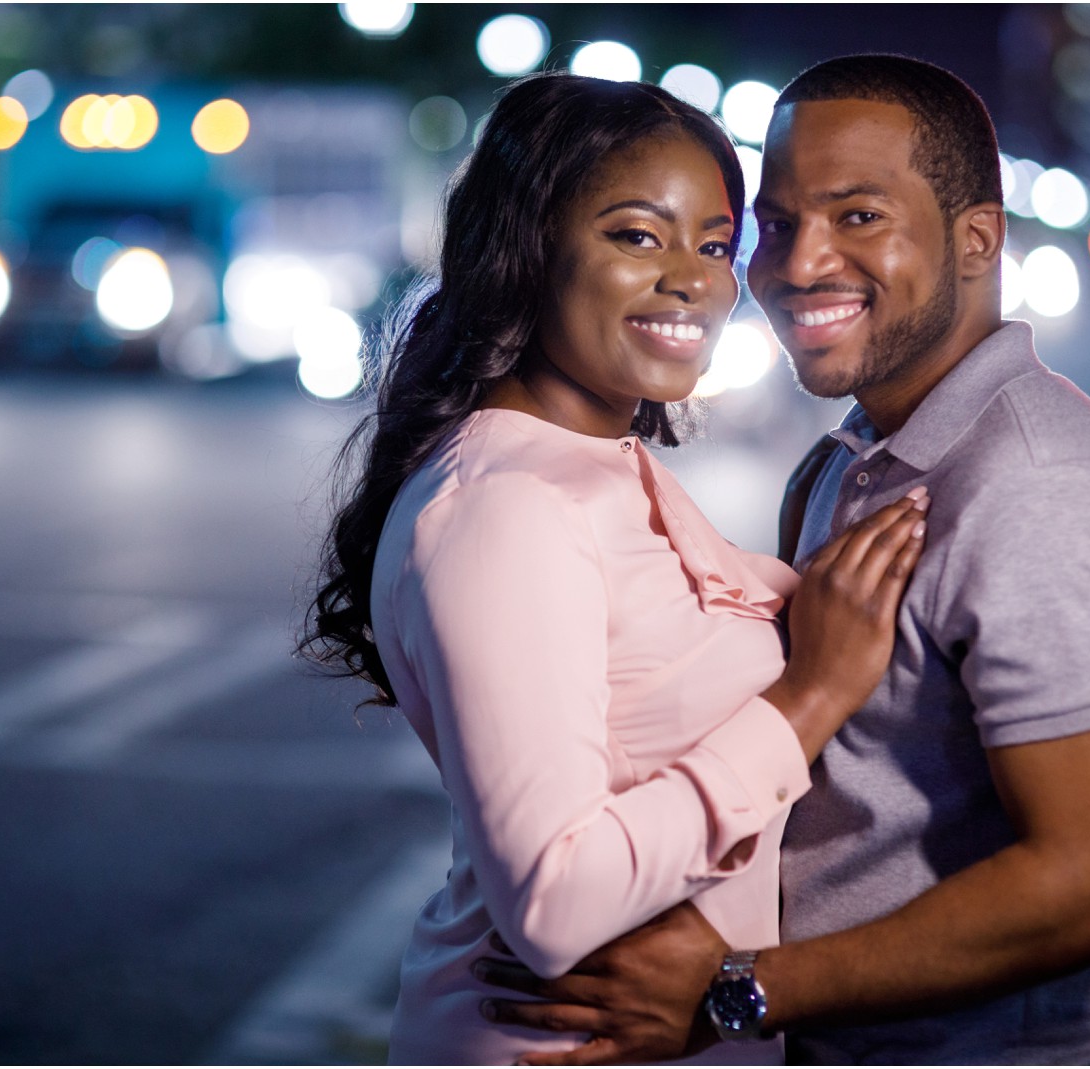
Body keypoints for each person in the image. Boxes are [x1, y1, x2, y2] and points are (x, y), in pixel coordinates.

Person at [476, 54, 1090, 1065]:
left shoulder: (1037, 487)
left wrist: (743, 989)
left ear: (976, 239)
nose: (798, 263)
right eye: (774, 222)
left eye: (858, 216)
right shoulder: (856, 455)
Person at [305, 71, 935, 1065]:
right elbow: (554, 902)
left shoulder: (604, 462)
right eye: (638, 235)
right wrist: (809, 695)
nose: (693, 277)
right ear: (527, 245)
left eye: (716, 244)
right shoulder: (509, 505)